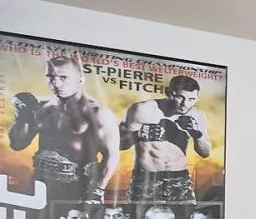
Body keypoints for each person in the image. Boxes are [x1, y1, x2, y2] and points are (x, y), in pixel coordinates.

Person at [8, 55, 120, 208]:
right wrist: (23, 116)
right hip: (40, 185)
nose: (56, 83)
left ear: (80, 80)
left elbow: (111, 154)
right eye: (51, 77)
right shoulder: (40, 107)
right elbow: (17, 144)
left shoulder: (97, 113)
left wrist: (97, 191)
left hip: (78, 189)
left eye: (63, 77)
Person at [123, 75, 211, 206]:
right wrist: (138, 134)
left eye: (191, 99)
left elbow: (205, 153)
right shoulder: (143, 110)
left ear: (197, 98)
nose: (185, 104)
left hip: (180, 179)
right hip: (146, 179)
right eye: (180, 97)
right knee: (140, 218)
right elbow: (120, 145)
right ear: (168, 92)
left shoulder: (197, 114)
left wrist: (197, 134)